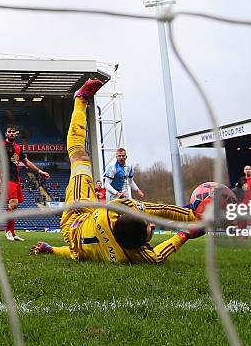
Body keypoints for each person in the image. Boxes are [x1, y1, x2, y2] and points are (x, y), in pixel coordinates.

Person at [31, 78, 202, 263]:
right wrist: (51, 249)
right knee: (80, 250)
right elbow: (75, 253)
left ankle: (80, 101)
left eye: (149, 227)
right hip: (75, 237)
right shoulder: (129, 257)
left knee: (80, 158)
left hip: (77, 214)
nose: (152, 226)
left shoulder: (114, 214)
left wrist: (191, 217)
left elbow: (158, 210)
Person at [0, 124, 50, 241]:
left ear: (16, 134)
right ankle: (7, 231)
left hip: (16, 179)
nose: (11, 133)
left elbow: (26, 162)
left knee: (15, 207)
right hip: (6, 178)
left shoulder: (18, 148)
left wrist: (40, 171)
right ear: (6, 134)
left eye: (13, 132)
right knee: (13, 204)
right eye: (9, 132)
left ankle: (12, 232)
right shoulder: (2, 146)